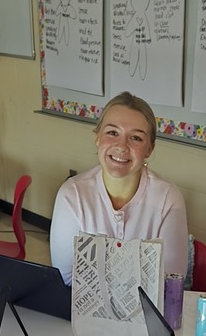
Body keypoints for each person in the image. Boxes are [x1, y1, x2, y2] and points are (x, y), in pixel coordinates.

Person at [49, 92, 188, 285]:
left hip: (147, 313)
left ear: (149, 149)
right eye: (112, 133)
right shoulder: (72, 194)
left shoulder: (168, 198)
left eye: (136, 138)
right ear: (97, 138)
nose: (121, 146)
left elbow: (171, 282)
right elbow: (66, 278)